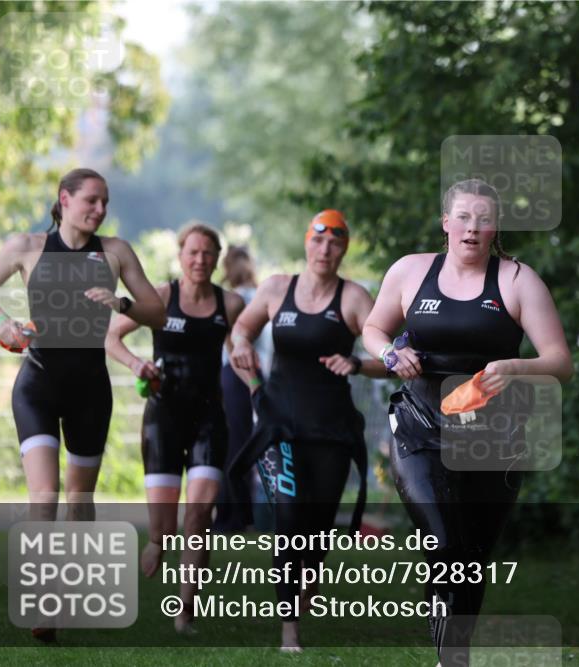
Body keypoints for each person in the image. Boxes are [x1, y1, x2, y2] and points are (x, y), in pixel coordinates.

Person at [361, 179, 573, 664]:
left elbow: (560, 360)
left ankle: (456, 653)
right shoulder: (411, 272)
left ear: (495, 227)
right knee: (441, 543)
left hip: (493, 436)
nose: (472, 228)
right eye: (463, 217)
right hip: (419, 427)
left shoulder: (518, 281)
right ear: (445, 223)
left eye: (482, 219)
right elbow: (374, 329)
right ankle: (448, 661)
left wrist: (515, 367)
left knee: (471, 557)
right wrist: (392, 353)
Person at [0, 167, 166, 641]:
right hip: (37, 382)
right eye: (91, 201)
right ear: (65, 199)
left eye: (105, 202)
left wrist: (120, 305)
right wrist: (1, 322)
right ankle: (43, 601)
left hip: (89, 391)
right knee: (45, 496)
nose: (100, 209)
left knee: (79, 504)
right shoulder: (27, 247)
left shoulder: (115, 253)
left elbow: (157, 311)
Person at [228, 209, 386, 651]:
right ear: (307, 243)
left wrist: (356, 362)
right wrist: (242, 348)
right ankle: (289, 630)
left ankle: (304, 588)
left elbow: (388, 357)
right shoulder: (277, 288)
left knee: (315, 528)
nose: (325, 250)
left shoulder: (354, 298)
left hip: (331, 431)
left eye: (335, 243)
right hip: (279, 426)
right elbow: (242, 328)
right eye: (318, 241)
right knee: (290, 519)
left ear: (344, 250)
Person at [105, 222, 244, 634]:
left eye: (207, 254)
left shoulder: (231, 303)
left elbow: (240, 346)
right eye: (193, 252)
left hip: (209, 418)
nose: (200, 260)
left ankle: (185, 611)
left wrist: (249, 367)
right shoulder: (162, 297)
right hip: (163, 418)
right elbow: (112, 337)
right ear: (181, 256)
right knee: (164, 527)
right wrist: (137, 365)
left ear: (217, 259)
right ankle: (157, 542)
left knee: (199, 514)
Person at [213, 245, 272, 533]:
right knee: (246, 443)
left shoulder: (236, 299)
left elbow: (231, 344)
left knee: (236, 445)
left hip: (238, 375)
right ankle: (240, 514)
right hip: (254, 374)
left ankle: (234, 516)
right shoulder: (259, 297)